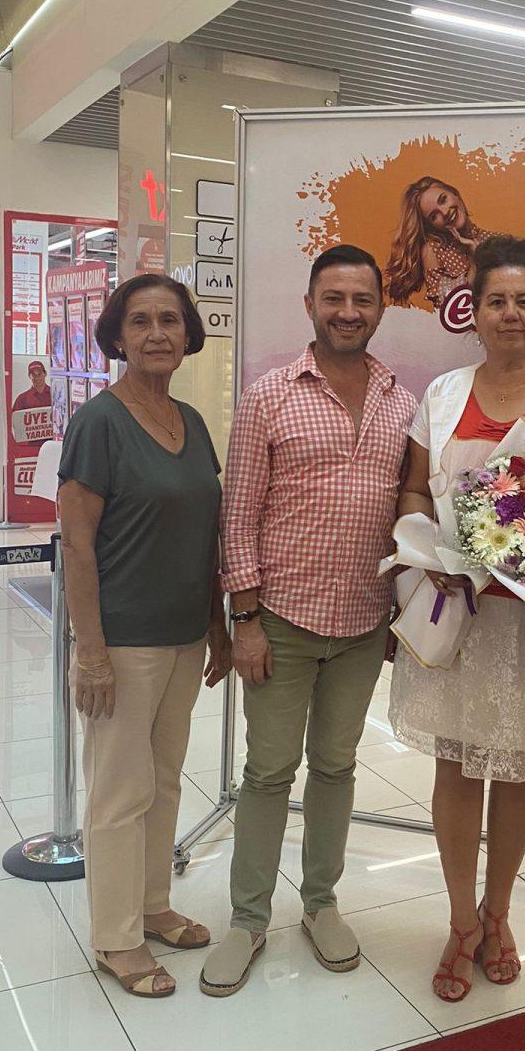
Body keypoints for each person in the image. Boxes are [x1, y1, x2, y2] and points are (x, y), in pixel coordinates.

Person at [389, 236, 525, 1003]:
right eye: (496, 301)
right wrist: (433, 552)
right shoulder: (444, 393)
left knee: (516, 769)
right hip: (458, 611)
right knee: (455, 767)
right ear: (473, 312)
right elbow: (414, 489)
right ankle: (459, 922)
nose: (510, 314)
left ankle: (499, 912)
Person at [200, 244, 416, 997]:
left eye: (362, 299)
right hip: (281, 621)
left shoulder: (401, 400)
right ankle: (247, 919)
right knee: (267, 772)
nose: (348, 312)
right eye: (334, 298)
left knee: (336, 767)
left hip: (363, 623)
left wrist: (403, 611)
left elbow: (407, 513)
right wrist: (246, 618)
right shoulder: (269, 395)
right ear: (310, 306)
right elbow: (238, 514)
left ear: (380, 307)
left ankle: (321, 903)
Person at [59, 274, 230, 998]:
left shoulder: (191, 420)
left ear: (188, 335)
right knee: (118, 792)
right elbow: (77, 544)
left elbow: (206, 532)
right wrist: (91, 651)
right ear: (117, 336)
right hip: (124, 642)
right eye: (140, 321)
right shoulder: (99, 422)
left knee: (162, 781)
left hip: (185, 635)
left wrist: (218, 624)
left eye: (170, 320)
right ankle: (116, 937)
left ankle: (154, 905)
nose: (157, 333)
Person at [384, 176, 491, 308]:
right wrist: (474, 261)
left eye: (443, 199)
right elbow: (450, 310)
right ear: (432, 225)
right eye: (434, 216)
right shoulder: (433, 251)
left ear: (455, 194)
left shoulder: (497, 240)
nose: (445, 212)